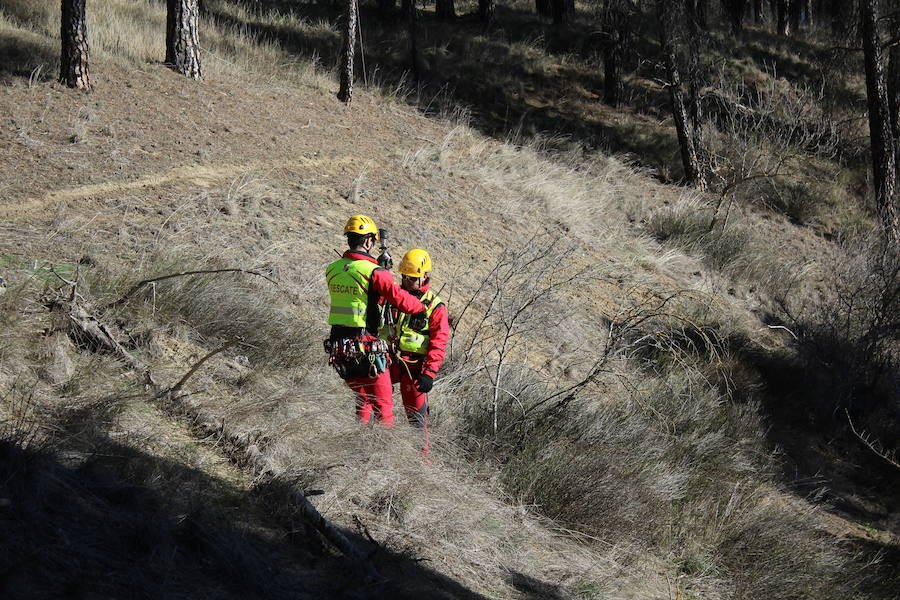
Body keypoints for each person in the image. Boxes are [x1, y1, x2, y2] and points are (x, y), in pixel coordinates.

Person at [325, 215, 425, 426]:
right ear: (369, 241)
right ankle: (382, 451)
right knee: (383, 404)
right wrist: (420, 307)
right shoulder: (375, 273)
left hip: (339, 347)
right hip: (365, 345)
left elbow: (358, 294)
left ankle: (359, 441)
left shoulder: (333, 269)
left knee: (363, 398)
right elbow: (400, 300)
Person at [385, 248, 449, 429]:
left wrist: (428, 373)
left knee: (417, 423)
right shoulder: (394, 297)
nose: (406, 282)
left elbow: (439, 343)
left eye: (412, 278)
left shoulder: (435, 307)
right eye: (404, 276)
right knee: (375, 406)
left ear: (425, 276)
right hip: (390, 363)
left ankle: (421, 456)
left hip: (415, 369)